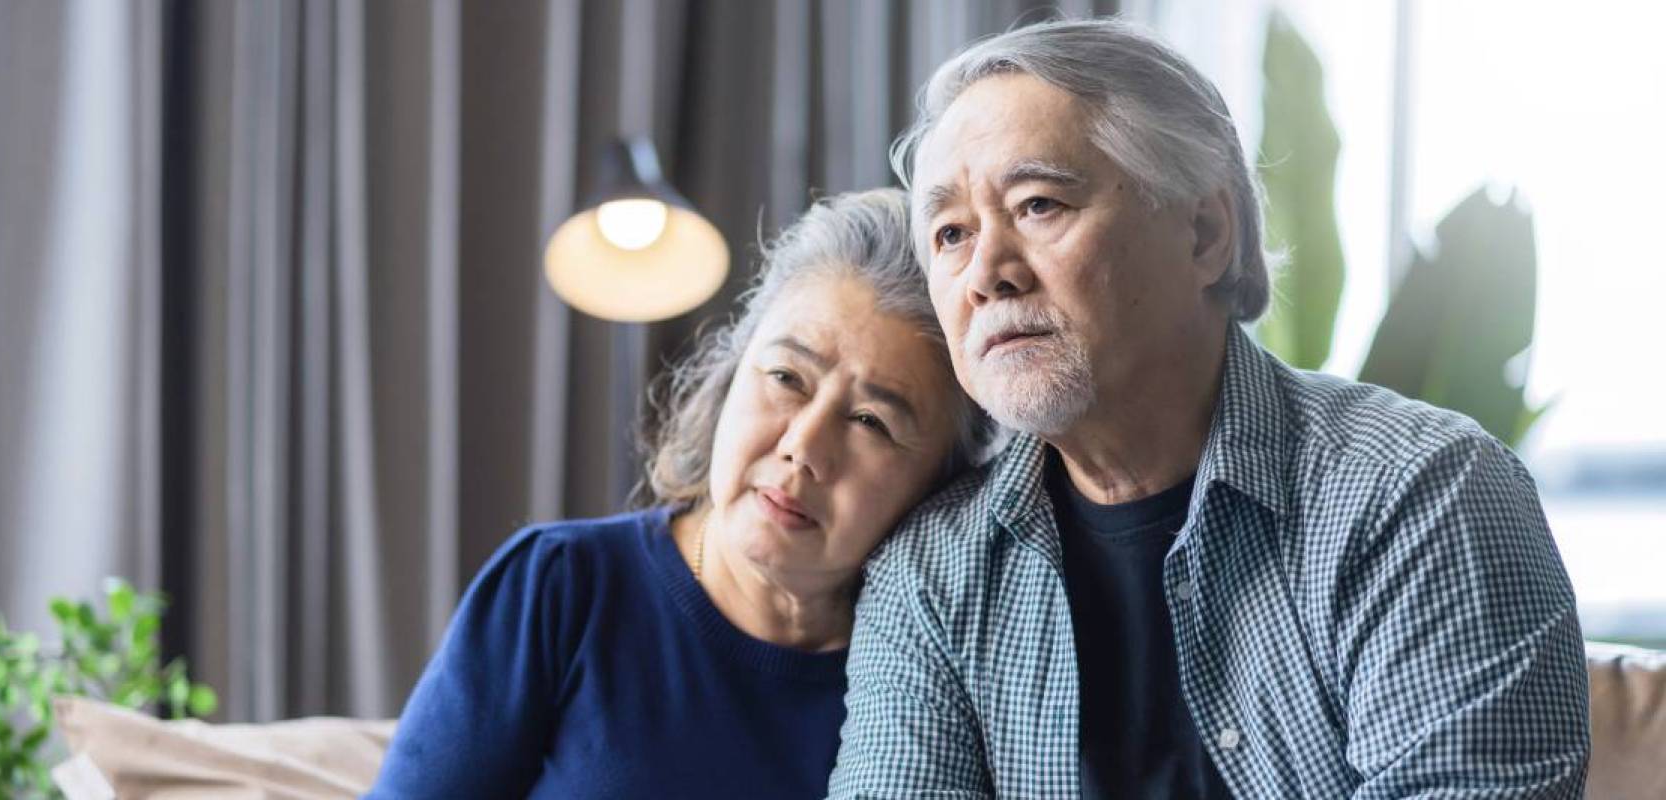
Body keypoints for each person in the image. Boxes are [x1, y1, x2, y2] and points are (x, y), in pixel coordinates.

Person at [828, 19, 1590, 799]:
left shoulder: (1421, 494)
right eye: (950, 233)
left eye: (1038, 204)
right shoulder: (932, 572)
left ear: (1205, 234)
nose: (986, 273)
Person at [367, 188, 996, 798]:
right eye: (785, 377)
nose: (804, 445)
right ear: (729, 378)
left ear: (940, 485)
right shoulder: (561, 587)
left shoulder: (926, 684)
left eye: (870, 423)